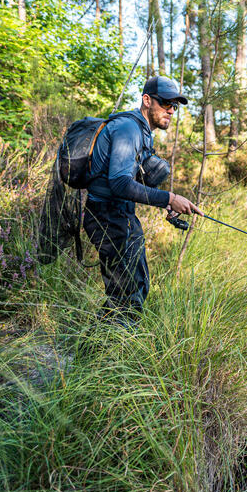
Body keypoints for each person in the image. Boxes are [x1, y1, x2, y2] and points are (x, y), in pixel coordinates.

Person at [84, 75, 202, 320]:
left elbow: (129, 181)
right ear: (147, 100)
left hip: (119, 214)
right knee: (127, 296)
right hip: (107, 216)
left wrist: (166, 203)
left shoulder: (142, 131)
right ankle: (102, 353)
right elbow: (119, 183)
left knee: (133, 288)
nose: (171, 111)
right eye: (166, 103)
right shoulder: (129, 129)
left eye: (175, 106)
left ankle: (97, 351)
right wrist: (169, 198)